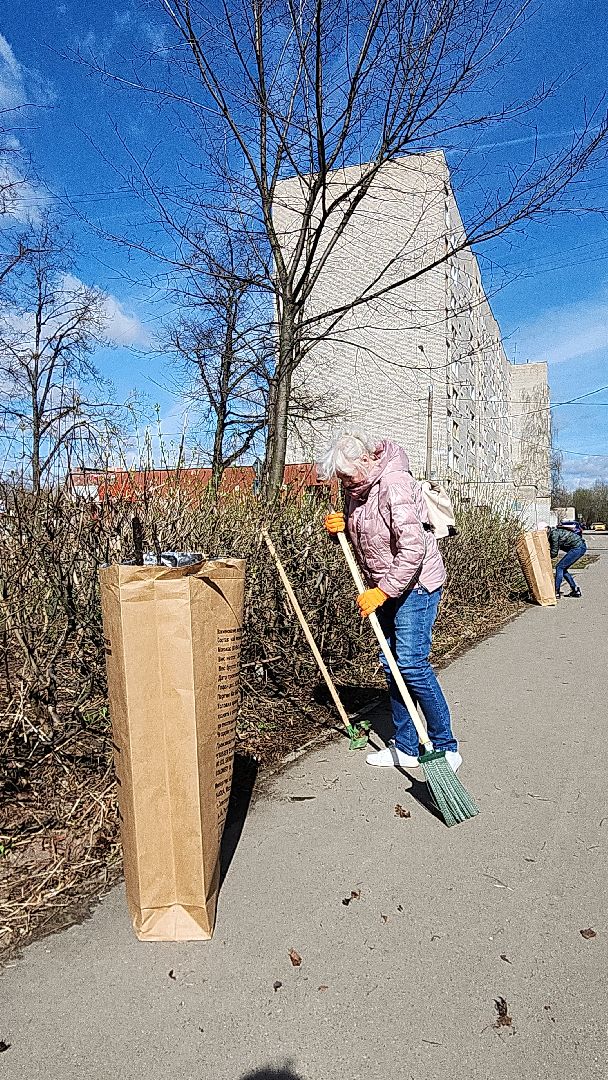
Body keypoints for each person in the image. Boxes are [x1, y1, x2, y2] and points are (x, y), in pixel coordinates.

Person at [318, 432, 462, 773]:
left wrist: (382, 592)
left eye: (347, 476)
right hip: (384, 585)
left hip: (416, 585)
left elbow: (413, 550)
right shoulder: (358, 490)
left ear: (367, 461)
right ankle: (407, 746)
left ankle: (446, 745)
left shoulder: (394, 484)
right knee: (392, 666)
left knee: (411, 664)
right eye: (340, 479)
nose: (345, 483)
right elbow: (371, 539)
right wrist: (340, 528)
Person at [538, 521, 586, 598]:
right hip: (577, 548)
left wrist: (545, 558)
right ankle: (575, 590)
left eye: (542, 531)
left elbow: (554, 552)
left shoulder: (554, 535)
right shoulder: (551, 534)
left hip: (578, 547)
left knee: (559, 567)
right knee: (563, 569)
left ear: (546, 529)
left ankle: (556, 591)